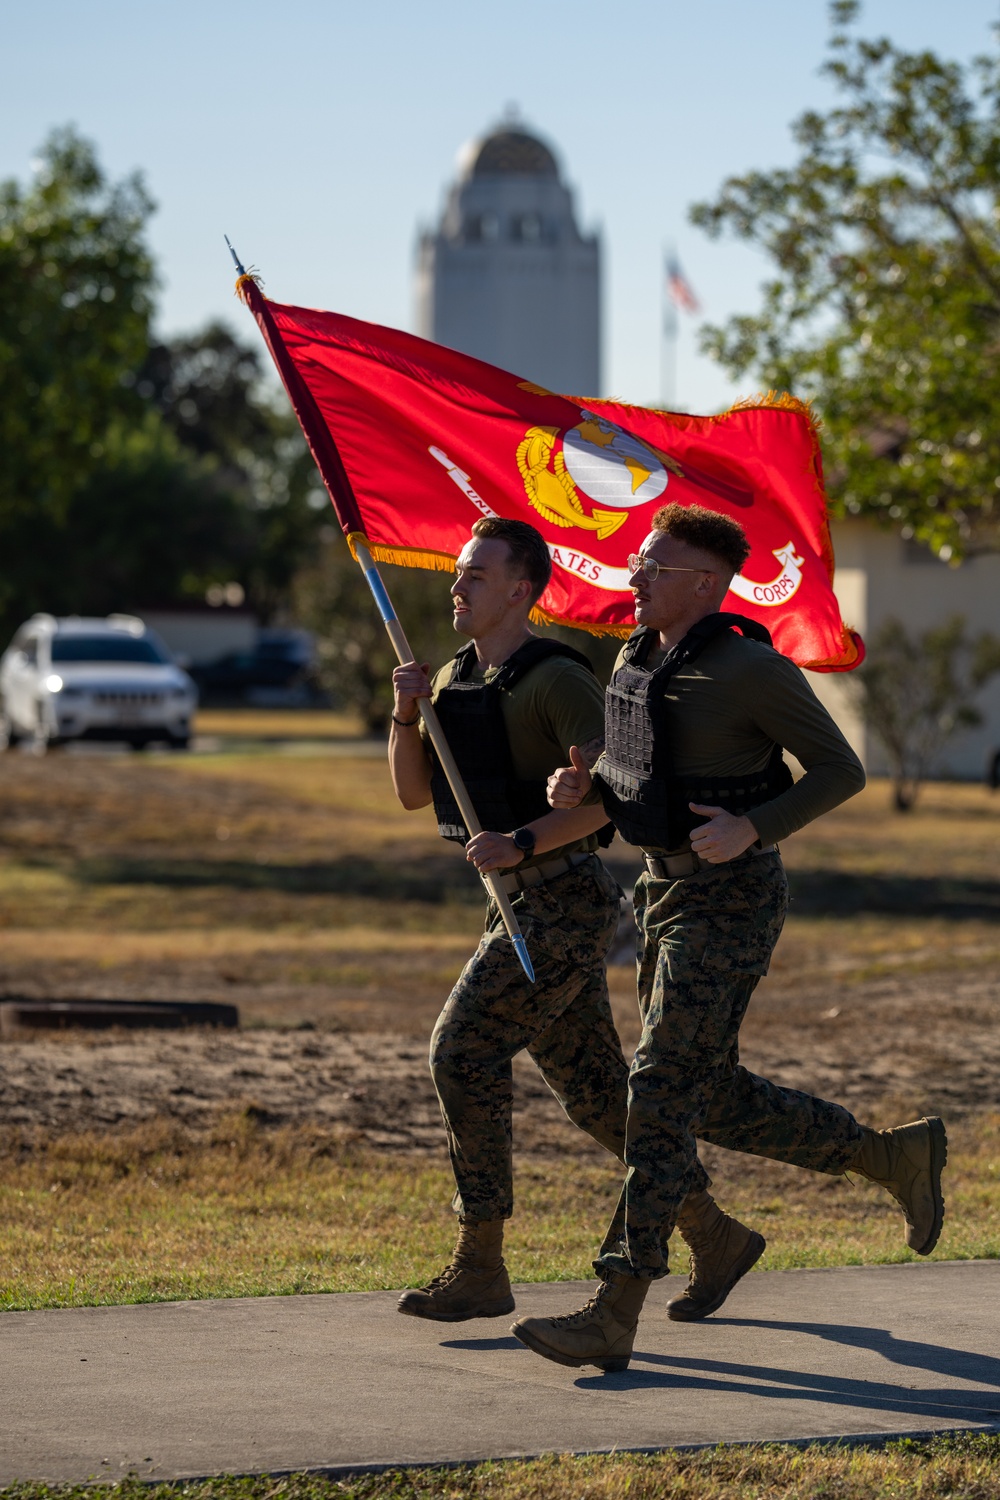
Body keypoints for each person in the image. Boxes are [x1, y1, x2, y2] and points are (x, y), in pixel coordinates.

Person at [511, 502, 947, 1372]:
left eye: (653, 567)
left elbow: (841, 769)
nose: (634, 576)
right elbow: (633, 782)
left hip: (732, 899)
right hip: (661, 896)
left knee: (663, 1088)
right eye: (639, 563)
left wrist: (757, 829)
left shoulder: (751, 668)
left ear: (705, 584)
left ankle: (614, 1306)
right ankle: (890, 1157)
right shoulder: (636, 659)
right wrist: (579, 792)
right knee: (705, 1094)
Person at [388, 515, 763, 1325]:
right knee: (598, 1097)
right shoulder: (454, 679)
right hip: (516, 905)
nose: (458, 585)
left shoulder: (555, 678)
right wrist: (405, 714)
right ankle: (716, 1233)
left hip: (562, 902)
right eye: (460, 572)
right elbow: (415, 795)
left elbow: (607, 802)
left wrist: (524, 835)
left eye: (476, 575)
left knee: (462, 1050)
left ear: (521, 590)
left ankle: (481, 1262)